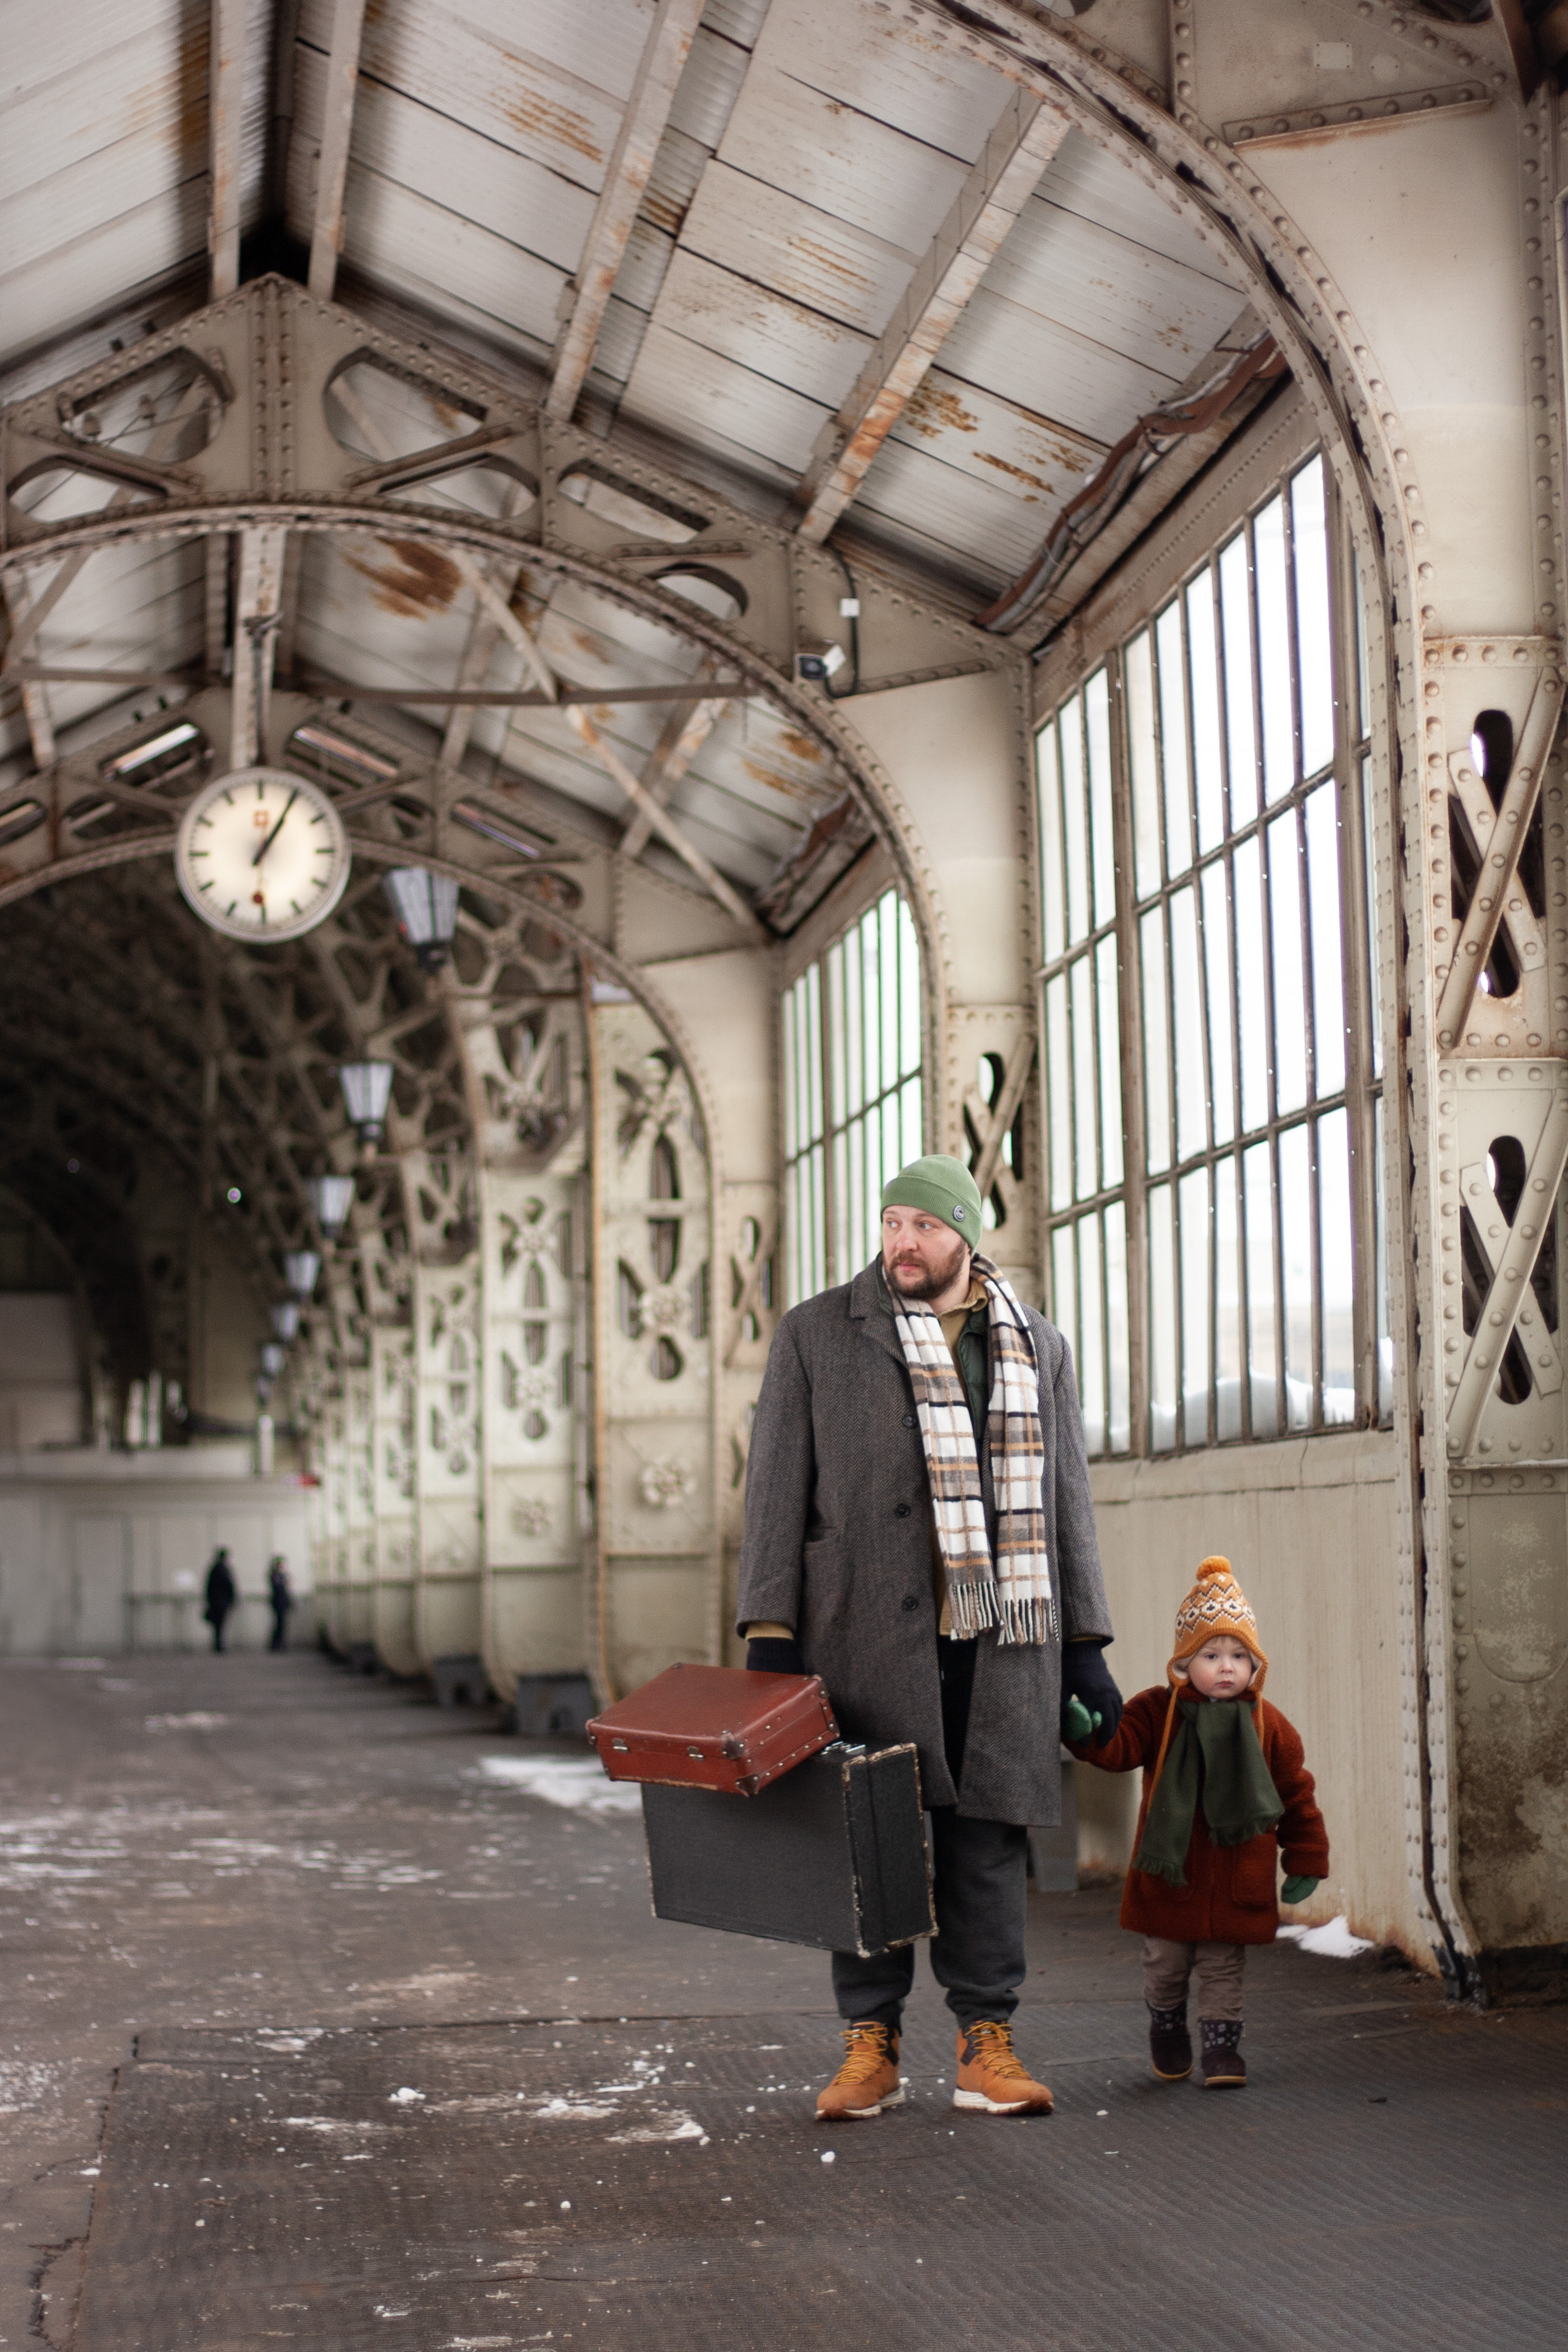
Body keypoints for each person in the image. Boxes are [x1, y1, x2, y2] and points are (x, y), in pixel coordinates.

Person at [739, 1153, 1122, 2123]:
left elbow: (1063, 1500)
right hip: (858, 1631)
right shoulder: (817, 1333)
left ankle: (984, 2037)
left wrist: (1084, 1644)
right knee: (863, 1837)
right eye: (891, 1221)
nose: (902, 1241)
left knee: (986, 1836)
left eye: (924, 1225)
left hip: (1001, 1636)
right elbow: (775, 1490)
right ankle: (869, 2042)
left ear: (967, 1235)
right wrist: (770, 1635)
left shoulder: (1037, 1344)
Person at [1068, 1554, 1329, 2089]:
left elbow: (1295, 1793)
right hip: (1172, 1876)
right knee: (1164, 1963)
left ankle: (1221, 2050)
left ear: (1256, 1664)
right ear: (1184, 1663)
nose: (1226, 1666)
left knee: (1223, 1966)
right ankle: (1166, 2027)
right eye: (1210, 1654)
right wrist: (1085, 1732)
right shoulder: (1157, 1712)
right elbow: (1118, 1748)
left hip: (1237, 1880)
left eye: (1239, 1654)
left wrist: (1305, 1856)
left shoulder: (1269, 1724)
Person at [203, 1547, 237, 1654]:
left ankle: (218, 1645)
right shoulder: (224, 1570)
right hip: (221, 1602)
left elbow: (208, 1587)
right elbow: (229, 1586)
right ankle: (219, 1645)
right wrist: (233, 1598)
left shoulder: (214, 1569)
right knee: (220, 1624)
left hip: (216, 1602)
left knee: (218, 1625)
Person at [267, 1556, 293, 1653]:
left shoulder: (281, 1575)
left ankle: (279, 1643)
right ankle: (276, 1643)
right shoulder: (275, 1575)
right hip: (278, 1602)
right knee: (279, 1623)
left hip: (282, 1602)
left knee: (281, 1624)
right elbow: (278, 1588)